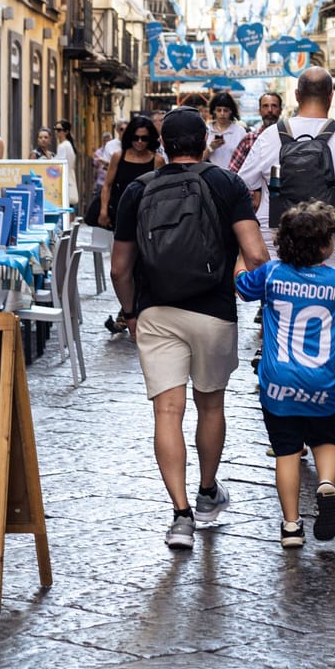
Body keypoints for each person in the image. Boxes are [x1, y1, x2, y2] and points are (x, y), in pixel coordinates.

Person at [111, 108, 269, 549]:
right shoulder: (226, 183)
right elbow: (256, 254)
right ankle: (207, 493)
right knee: (211, 407)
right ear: (204, 143)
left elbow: (120, 268)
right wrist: (241, 280)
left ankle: (180, 517)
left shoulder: (138, 190)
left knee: (167, 413)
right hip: (213, 311)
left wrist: (130, 313)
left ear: (163, 145)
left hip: (156, 311)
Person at [235, 200, 335, 549]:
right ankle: (326, 484)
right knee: (325, 440)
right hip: (324, 381)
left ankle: (291, 526)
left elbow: (243, 287)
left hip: (279, 382)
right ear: (324, 245)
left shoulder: (272, 274)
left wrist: (238, 260)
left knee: (287, 451)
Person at [239, 66, 335, 291]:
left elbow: (241, 189)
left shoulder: (268, 138)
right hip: (333, 249)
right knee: (332, 316)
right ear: (330, 96)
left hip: (277, 247)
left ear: (297, 95)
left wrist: (245, 252)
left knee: (276, 313)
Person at [97, 115, 163, 231]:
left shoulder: (157, 160)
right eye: (135, 137)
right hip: (121, 213)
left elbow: (160, 192)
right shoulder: (118, 157)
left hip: (146, 216)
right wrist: (103, 211)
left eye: (144, 138)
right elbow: (107, 185)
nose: (139, 142)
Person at [229, 92, 283, 171]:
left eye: (274, 106)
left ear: (280, 110)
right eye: (265, 106)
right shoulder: (249, 139)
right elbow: (233, 170)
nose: (270, 110)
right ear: (259, 111)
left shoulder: (287, 138)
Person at [205, 91, 246, 166]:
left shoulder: (239, 131)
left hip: (233, 175)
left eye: (226, 110)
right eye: (219, 110)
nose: (222, 114)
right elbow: (198, 160)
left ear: (231, 111)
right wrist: (210, 148)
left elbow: (246, 158)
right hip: (211, 175)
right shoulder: (206, 131)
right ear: (214, 111)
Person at [53, 120, 79, 207]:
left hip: (64, 180)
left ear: (66, 132)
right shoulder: (68, 145)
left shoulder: (63, 146)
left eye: (59, 130)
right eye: (55, 129)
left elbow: (59, 165)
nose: (56, 132)